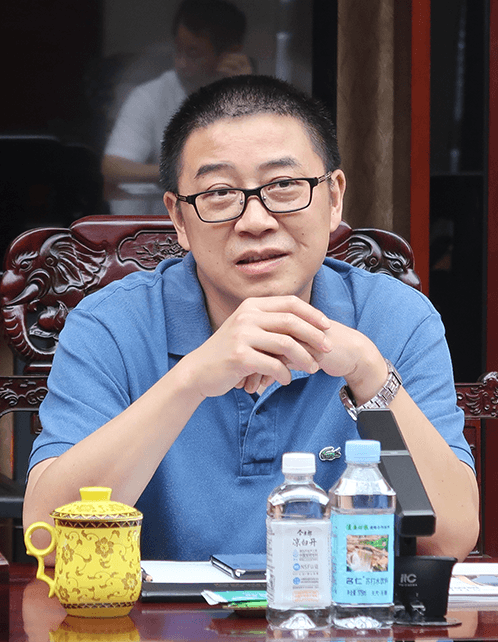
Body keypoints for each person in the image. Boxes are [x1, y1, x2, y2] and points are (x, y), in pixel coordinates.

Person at [24, 75, 479, 563]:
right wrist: (191, 380)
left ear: (333, 198)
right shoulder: (110, 326)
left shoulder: (396, 318)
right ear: (179, 219)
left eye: (283, 185)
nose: (255, 221)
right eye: (220, 193)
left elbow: (448, 537)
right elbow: (48, 540)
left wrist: (369, 374)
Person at [102, 0, 252, 215]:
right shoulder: (151, 95)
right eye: (178, 50)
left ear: (230, 54)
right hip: (160, 223)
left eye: (193, 54)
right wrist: (179, 171)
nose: (181, 62)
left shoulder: (250, 98)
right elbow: (113, 167)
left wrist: (245, 92)